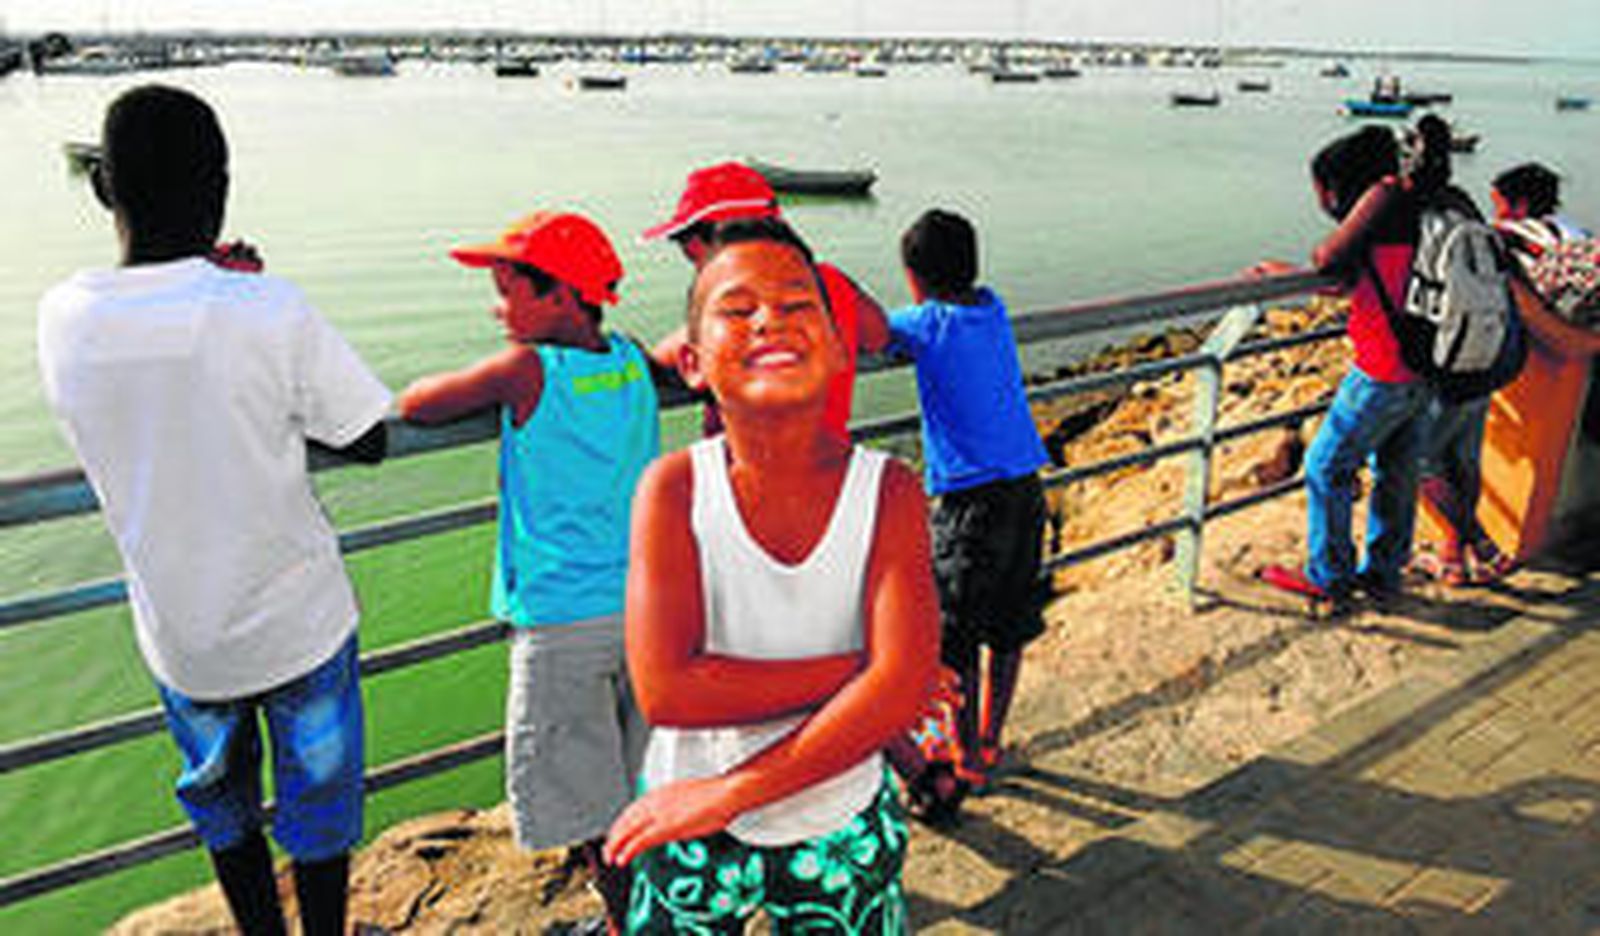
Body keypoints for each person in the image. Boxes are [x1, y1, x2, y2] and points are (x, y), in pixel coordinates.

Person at [36, 85, 391, 936]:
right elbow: (367, 436)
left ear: (103, 190)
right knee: (318, 811)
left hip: (182, 635)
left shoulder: (61, 317)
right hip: (298, 624)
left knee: (223, 806)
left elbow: (166, 364)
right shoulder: (267, 309)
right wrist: (241, 297)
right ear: (223, 187)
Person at [604, 218, 938, 933]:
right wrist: (869, 674)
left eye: (797, 305)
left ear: (840, 347)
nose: (769, 320)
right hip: (685, 817)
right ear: (692, 363)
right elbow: (666, 689)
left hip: (835, 815)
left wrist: (731, 794)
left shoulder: (889, 490)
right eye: (737, 308)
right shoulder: (673, 489)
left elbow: (904, 691)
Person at [397, 211, 658, 933]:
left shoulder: (525, 369)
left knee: (588, 799)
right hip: (641, 611)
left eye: (508, 289)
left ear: (563, 296)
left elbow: (417, 404)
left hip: (561, 625)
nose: (496, 306)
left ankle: (621, 923)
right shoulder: (633, 359)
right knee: (641, 780)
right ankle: (649, 914)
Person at [858, 208, 1052, 817]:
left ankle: (966, 754)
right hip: (1026, 488)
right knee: (1012, 625)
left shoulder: (926, 324)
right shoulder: (990, 308)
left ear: (913, 280)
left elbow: (867, 329)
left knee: (956, 637)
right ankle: (991, 740)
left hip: (972, 504)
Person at [1255, 124, 1432, 610]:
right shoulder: (1419, 208)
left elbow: (1328, 259)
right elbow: (1362, 280)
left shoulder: (1385, 197)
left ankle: (1329, 576)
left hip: (1382, 368)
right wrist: (1288, 276)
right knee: (1397, 471)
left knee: (1326, 466)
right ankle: (1383, 573)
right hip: (1424, 365)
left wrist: (1305, 262)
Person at [641, 161, 888, 439]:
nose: (690, 253)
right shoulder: (831, 282)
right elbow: (877, 336)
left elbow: (660, 360)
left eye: (687, 241)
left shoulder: (734, 310)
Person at [1403, 116, 1517, 586]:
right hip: (1484, 347)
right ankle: (1453, 557)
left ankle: (1480, 543)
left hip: (1439, 352)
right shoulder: (1464, 204)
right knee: (1463, 459)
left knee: (1417, 461)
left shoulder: (1407, 207)